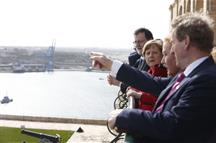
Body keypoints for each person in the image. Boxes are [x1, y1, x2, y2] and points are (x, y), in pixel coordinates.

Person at [91, 12, 216, 143]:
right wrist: (110, 64)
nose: (172, 50)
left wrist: (125, 116)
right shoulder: (193, 74)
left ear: (186, 42)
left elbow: (173, 124)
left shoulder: (207, 79)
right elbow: (153, 82)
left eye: (173, 43)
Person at [108, 28, 153, 93]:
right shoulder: (139, 60)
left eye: (140, 41)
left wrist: (118, 83)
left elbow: (143, 85)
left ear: (150, 41)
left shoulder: (153, 60)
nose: (137, 45)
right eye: (135, 42)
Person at [127, 39, 167, 111]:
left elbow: (161, 99)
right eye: (148, 53)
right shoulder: (150, 71)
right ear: (144, 57)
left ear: (162, 55)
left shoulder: (163, 73)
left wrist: (139, 95)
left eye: (155, 53)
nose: (151, 56)